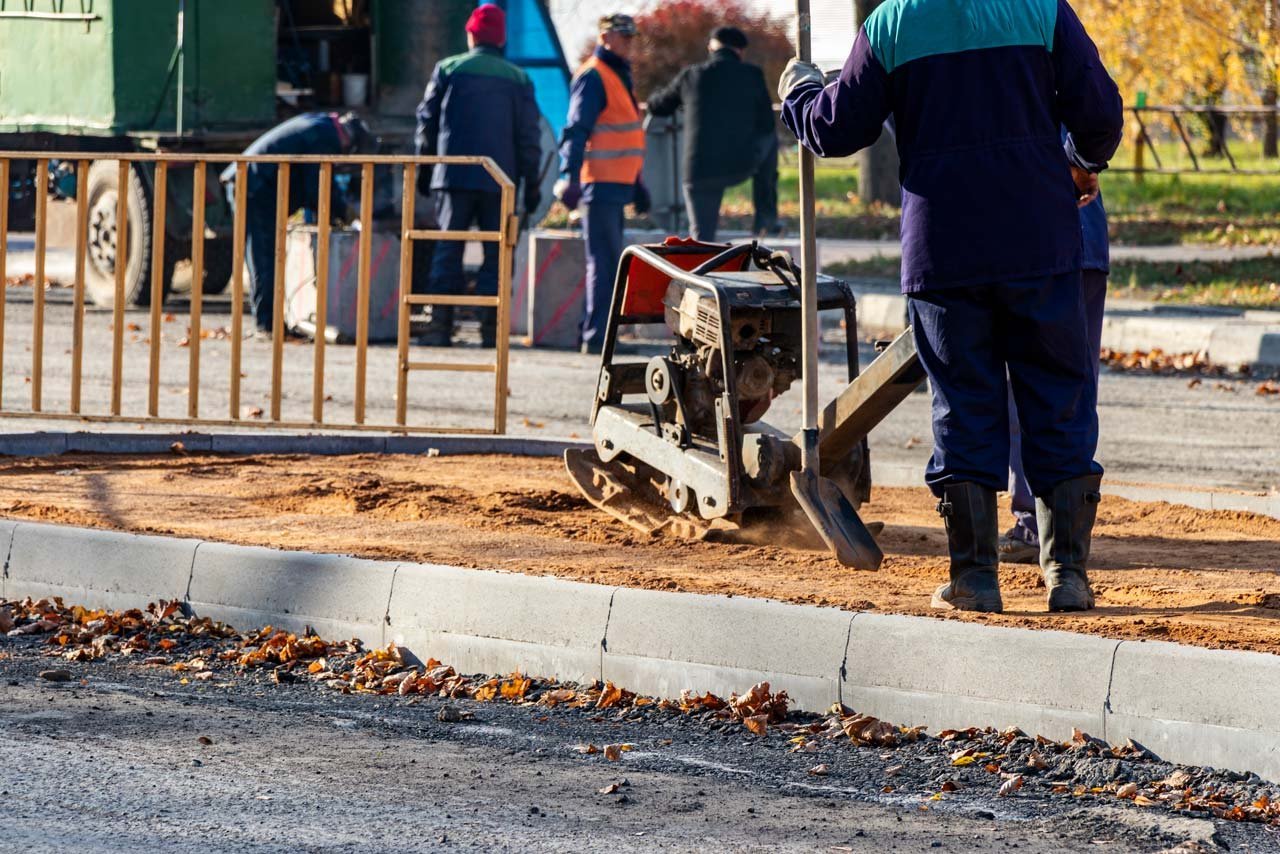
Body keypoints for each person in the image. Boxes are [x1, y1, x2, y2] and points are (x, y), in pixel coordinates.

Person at [779, 0, 1124, 614]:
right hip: (1038, 242)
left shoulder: (892, 22)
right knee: (1057, 398)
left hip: (945, 250)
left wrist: (801, 92)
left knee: (964, 404)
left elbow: (838, 129)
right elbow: (1099, 111)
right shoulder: (1039, 10)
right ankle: (1067, 575)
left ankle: (974, 578)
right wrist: (1081, 162)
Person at [415, 3, 542, 347]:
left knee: (448, 250)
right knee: (497, 255)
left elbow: (426, 125)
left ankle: (439, 329)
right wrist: (531, 186)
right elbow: (529, 137)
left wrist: (425, 172)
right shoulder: (519, 78)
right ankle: (491, 333)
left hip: (453, 178)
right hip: (501, 182)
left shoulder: (448, 69)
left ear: (471, 34)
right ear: (501, 40)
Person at [1002, 187, 1110, 566]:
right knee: (1073, 391)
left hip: (1032, 245)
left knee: (1028, 390)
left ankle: (1035, 524)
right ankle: (1066, 540)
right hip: (1083, 239)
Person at [223, 112, 374, 334]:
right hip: (254, 186)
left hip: (253, 182)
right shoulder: (324, 136)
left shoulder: (320, 124)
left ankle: (270, 321)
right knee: (264, 255)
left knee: (265, 254)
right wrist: (345, 214)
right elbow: (318, 187)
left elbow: (311, 186)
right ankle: (268, 324)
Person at [554, 13, 651, 354]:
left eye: (630, 37)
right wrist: (569, 177)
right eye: (622, 37)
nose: (628, 43)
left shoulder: (617, 76)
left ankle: (595, 332)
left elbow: (623, 135)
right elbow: (577, 129)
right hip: (598, 185)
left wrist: (637, 184)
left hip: (614, 185)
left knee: (608, 260)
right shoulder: (595, 76)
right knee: (605, 261)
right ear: (605, 37)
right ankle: (598, 337)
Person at [646, 25, 778, 241]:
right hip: (741, 164)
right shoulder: (753, 75)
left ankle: (700, 264)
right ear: (740, 52)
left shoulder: (691, 76)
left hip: (699, 169)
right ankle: (765, 218)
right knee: (769, 140)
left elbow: (659, 106)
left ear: (711, 48)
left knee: (701, 236)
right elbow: (766, 124)